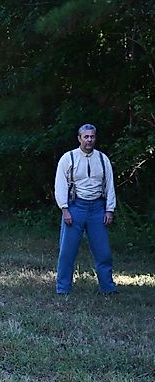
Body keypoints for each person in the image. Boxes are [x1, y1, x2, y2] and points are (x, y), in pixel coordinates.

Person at [53, 123, 117, 295]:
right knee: (67, 252)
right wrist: (65, 209)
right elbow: (60, 185)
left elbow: (110, 185)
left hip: (97, 209)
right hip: (75, 207)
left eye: (92, 136)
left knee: (103, 252)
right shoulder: (69, 158)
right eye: (86, 137)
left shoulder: (103, 159)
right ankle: (63, 289)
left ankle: (108, 288)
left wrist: (109, 209)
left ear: (95, 138)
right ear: (79, 138)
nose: (89, 140)